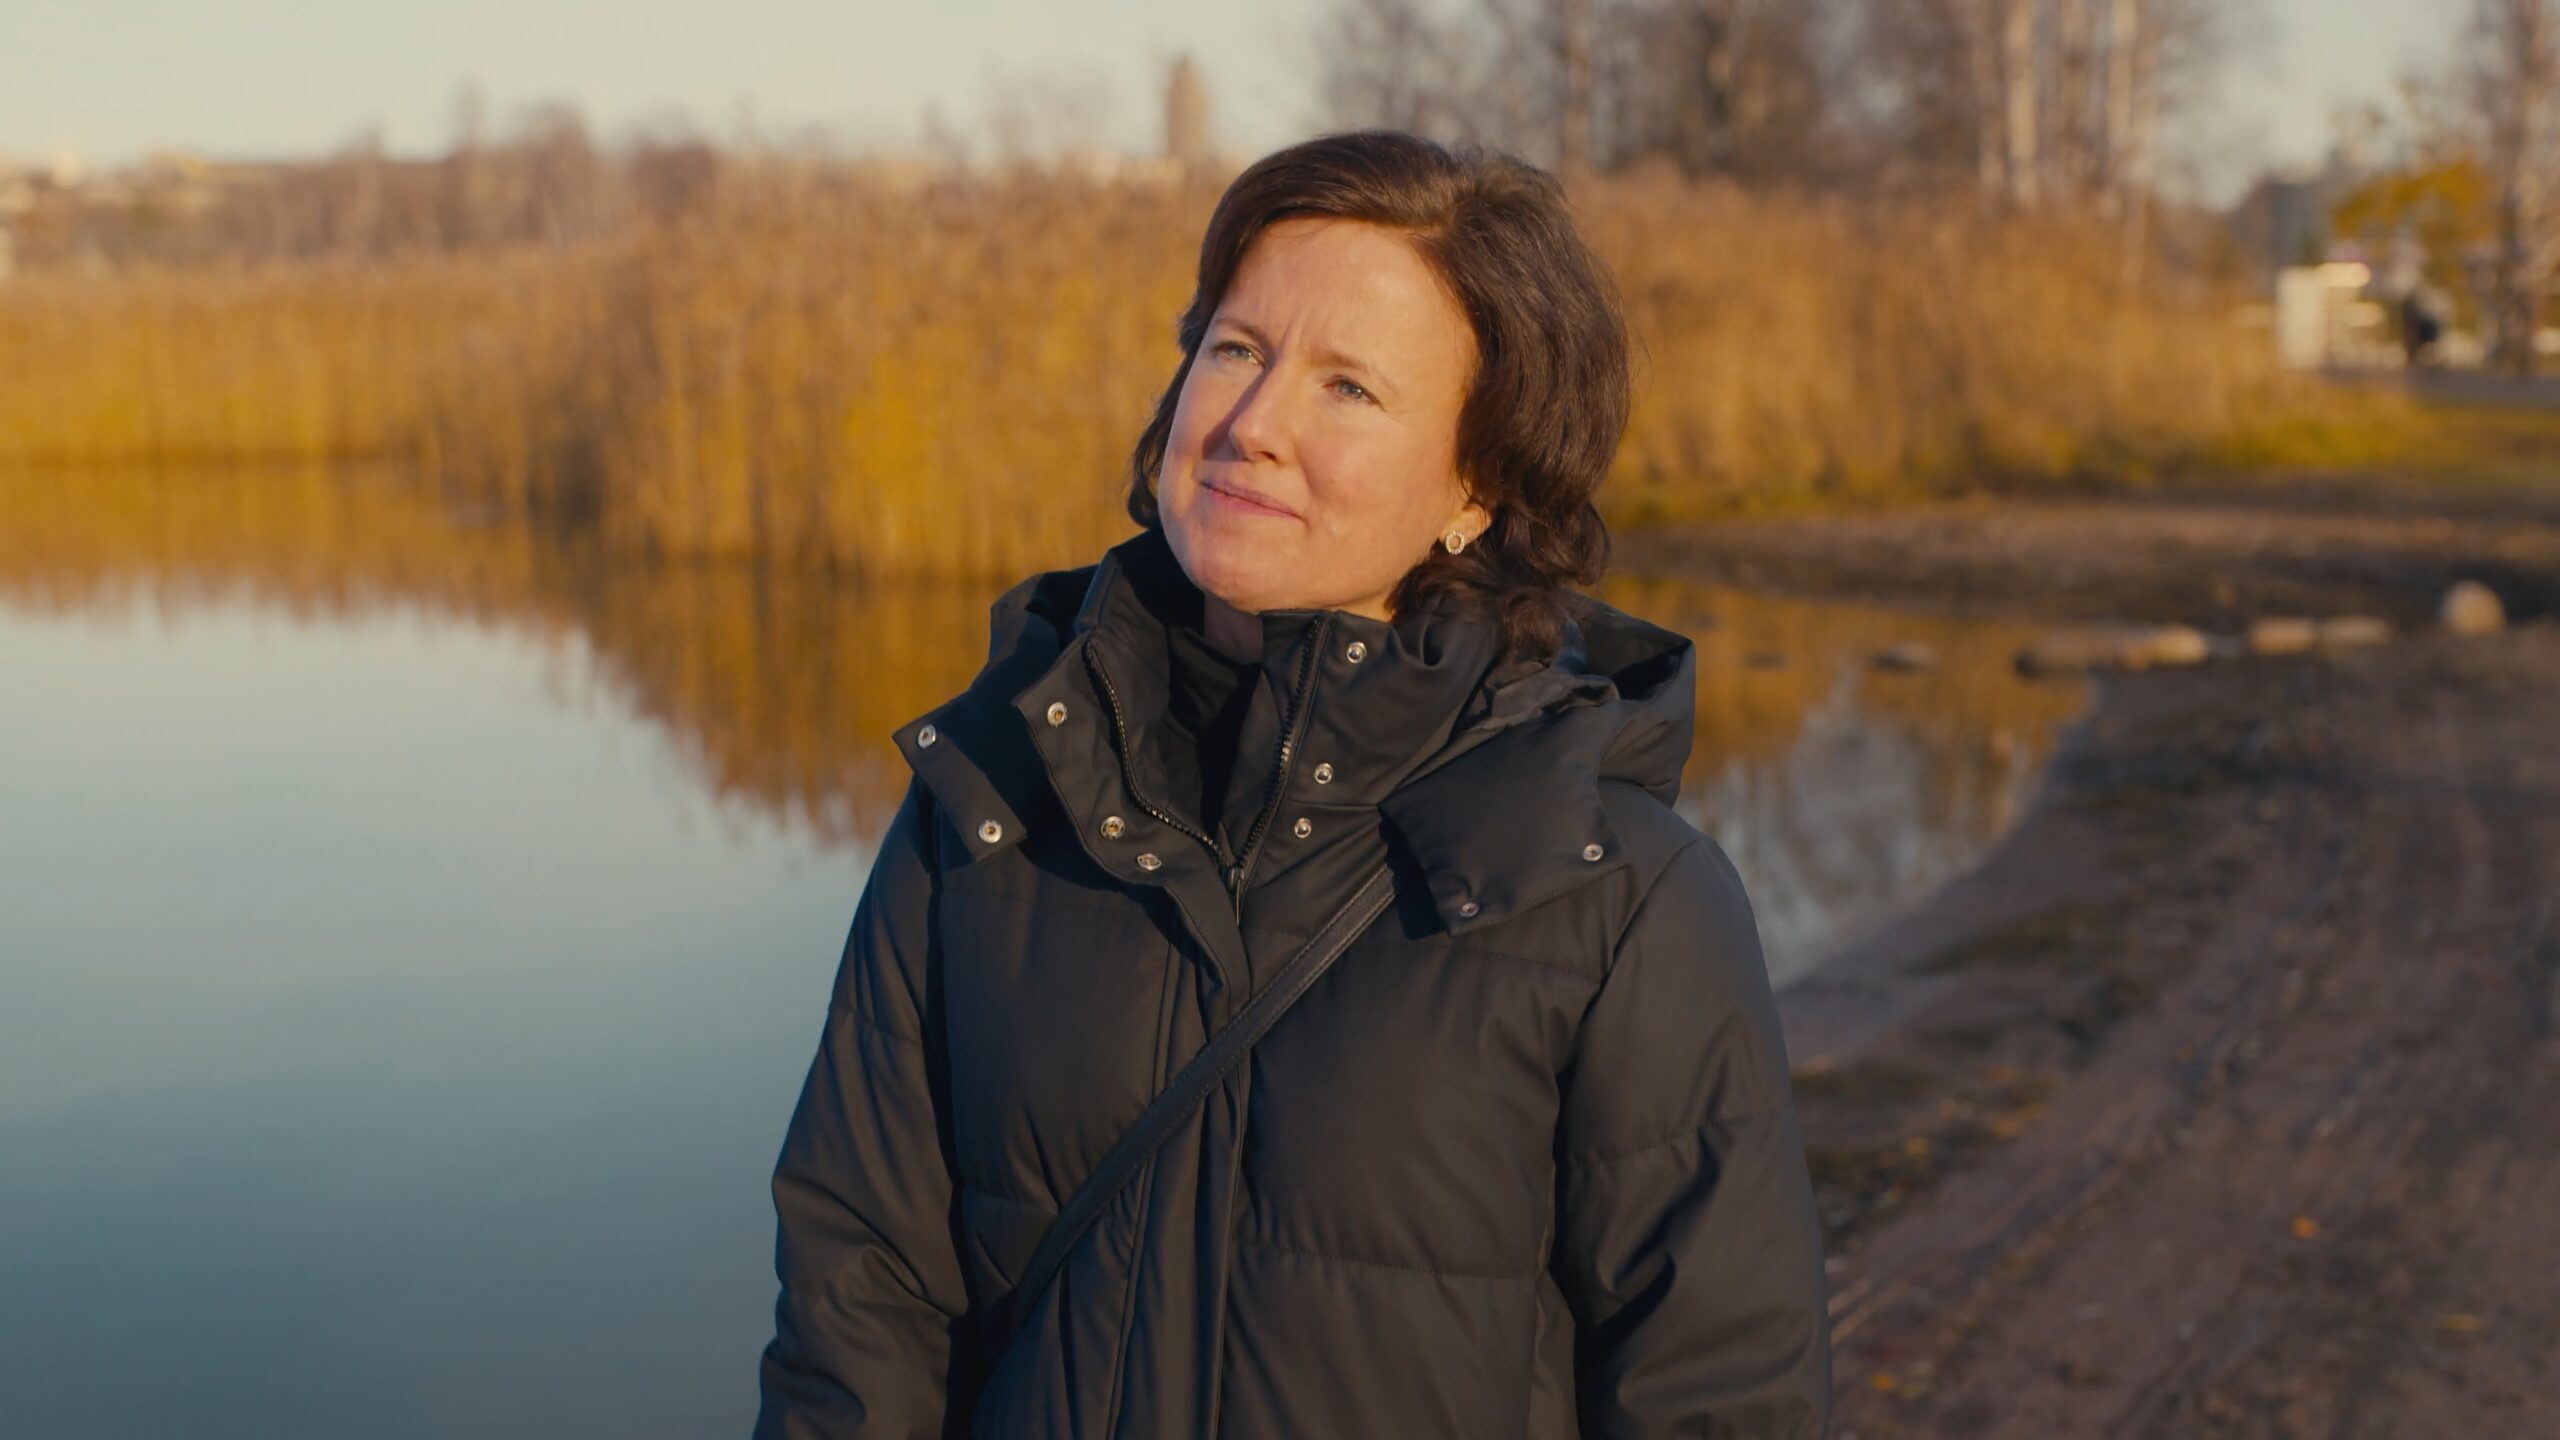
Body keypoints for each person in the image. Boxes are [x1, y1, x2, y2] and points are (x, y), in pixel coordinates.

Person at [753, 129, 1831, 1439]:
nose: (1254, 428)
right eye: (1236, 350)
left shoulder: (1614, 896)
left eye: (1349, 389)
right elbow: (857, 1306)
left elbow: (1717, 1397)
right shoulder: (990, 809)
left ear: (1477, 486)